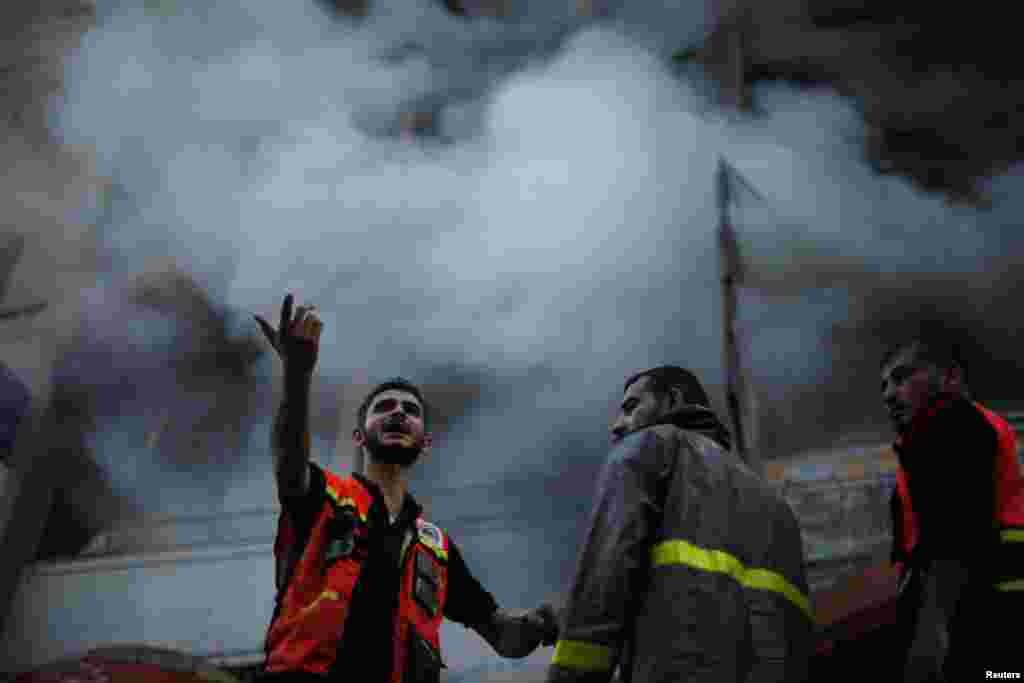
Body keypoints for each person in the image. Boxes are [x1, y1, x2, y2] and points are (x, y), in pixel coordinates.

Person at [254, 294, 558, 683]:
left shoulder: (437, 548)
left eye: (410, 410)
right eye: (385, 407)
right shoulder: (323, 496)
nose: (398, 412)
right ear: (359, 436)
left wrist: (547, 620)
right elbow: (288, 464)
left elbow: (504, 636)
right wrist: (297, 375)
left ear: (425, 441)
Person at [546, 365, 813, 683]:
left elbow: (605, 581)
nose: (617, 426)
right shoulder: (777, 506)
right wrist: (543, 622)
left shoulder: (645, 450)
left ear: (672, 400)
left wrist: (571, 675)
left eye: (631, 408)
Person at [881, 340, 1023, 682]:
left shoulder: (950, 420)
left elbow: (952, 543)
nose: (888, 394)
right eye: (884, 385)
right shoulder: (957, 427)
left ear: (950, 379)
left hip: (985, 617)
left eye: (901, 378)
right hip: (996, 611)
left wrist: (930, 639)